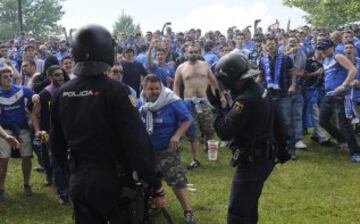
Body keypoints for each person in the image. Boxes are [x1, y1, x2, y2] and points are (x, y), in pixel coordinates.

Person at [50, 25, 165, 223]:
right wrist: (155, 183)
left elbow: (56, 144)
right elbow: (136, 141)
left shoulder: (62, 92)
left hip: (80, 178)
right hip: (114, 182)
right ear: (106, 52)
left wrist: (71, 173)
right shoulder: (116, 91)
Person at [213, 53, 290, 224]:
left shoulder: (245, 100)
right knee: (249, 207)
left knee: (238, 211)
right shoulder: (260, 89)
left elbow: (224, 131)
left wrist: (217, 109)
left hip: (253, 161)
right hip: (264, 158)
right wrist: (284, 147)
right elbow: (279, 120)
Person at [138, 74, 195, 224]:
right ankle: (154, 205)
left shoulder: (171, 101)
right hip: (146, 152)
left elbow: (187, 119)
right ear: (143, 89)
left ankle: (188, 211)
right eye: (151, 89)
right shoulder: (140, 103)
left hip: (167, 150)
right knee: (149, 181)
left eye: (157, 88)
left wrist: (176, 136)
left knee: (176, 180)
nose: (155, 91)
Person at [174, 44, 225, 169]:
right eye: (191, 52)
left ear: (199, 52)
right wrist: (176, 100)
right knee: (193, 133)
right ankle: (195, 159)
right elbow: (176, 84)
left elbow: (214, 81)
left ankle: (212, 152)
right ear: (187, 52)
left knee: (209, 130)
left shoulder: (205, 65)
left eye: (195, 51)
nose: (193, 54)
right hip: (188, 103)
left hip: (203, 101)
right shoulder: (181, 67)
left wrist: (221, 95)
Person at [317, 39, 360, 162]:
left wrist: (345, 84)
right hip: (329, 95)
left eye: (325, 48)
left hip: (343, 96)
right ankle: (342, 140)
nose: (323, 51)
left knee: (345, 125)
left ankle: (355, 153)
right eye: (321, 49)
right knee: (323, 121)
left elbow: (353, 70)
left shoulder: (338, 56)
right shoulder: (325, 59)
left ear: (332, 47)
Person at [32, 65, 69, 205]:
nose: (60, 77)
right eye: (57, 75)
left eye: (61, 74)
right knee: (54, 160)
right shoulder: (44, 94)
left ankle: (67, 187)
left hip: (67, 132)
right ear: (49, 77)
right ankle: (63, 193)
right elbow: (34, 115)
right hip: (49, 134)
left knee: (63, 161)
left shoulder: (68, 90)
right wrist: (37, 131)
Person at [0, 66, 35, 202]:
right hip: (4, 130)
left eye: (10, 76)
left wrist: (36, 97)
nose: (9, 78)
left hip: (22, 128)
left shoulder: (22, 90)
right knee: (3, 159)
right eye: (5, 76)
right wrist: (7, 136)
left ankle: (26, 184)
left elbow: (36, 97)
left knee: (26, 157)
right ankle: (1, 189)